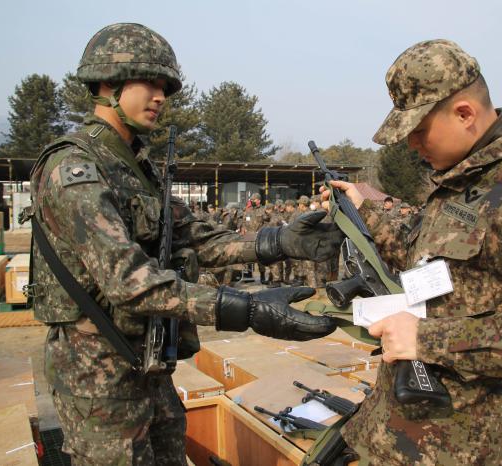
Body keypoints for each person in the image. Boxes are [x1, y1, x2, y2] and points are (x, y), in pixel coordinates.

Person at [24, 23, 340, 465]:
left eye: (165, 87)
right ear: (108, 84)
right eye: (149, 83)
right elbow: (130, 282)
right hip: (99, 378)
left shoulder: (136, 167)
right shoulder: (75, 168)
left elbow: (195, 237)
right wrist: (245, 309)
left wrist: (278, 242)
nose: (161, 97)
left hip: (148, 365)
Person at [322, 39, 502, 465]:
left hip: (452, 447)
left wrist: (425, 338)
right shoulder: (461, 185)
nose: (412, 146)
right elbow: (425, 263)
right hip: (394, 432)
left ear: (464, 114)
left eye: (418, 131)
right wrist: (365, 211)